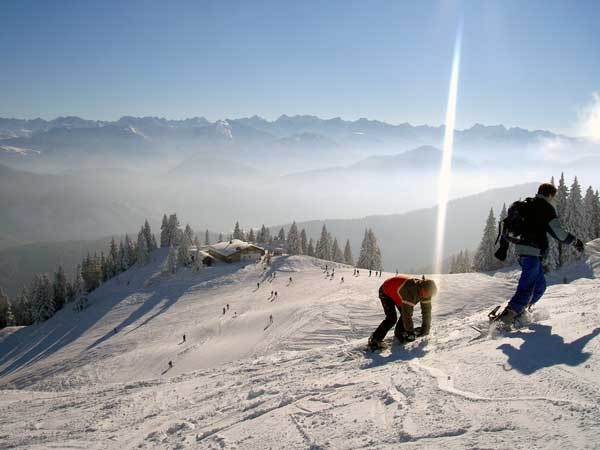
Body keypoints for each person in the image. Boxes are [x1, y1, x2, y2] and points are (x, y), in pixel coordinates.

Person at [495, 183, 585, 328]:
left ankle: (519, 312)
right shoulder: (546, 208)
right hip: (531, 253)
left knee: (540, 287)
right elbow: (559, 233)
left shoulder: (527, 204)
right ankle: (505, 318)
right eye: (553, 197)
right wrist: (575, 241)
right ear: (550, 195)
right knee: (527, 287)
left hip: (523, 252)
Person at [368, 275, 438, 350]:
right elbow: (407, 315)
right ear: (423, 288)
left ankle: (399, 332)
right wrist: (410, 332)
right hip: (386, 291)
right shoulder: (411, 292)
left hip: (398, 293)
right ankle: (375, 339)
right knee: (391, 318)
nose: (428, 296)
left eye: (430, 295)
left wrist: (425, 329)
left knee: (404, 313)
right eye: (428, 294)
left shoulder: (426, 293)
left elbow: (426, 311)